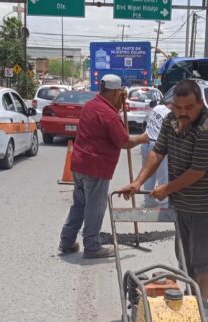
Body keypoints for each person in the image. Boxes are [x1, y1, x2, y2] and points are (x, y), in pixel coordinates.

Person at [119, 80, 208, 317]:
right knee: (185, 258)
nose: (183, 113)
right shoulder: (171, 121)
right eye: (178, 107)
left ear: (200, 103)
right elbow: (157, 152)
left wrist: (166, 188)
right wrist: (138, 182)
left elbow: (196, 173)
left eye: (189, 107)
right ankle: (192, 300)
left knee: (202, 260)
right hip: (182, 203)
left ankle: (201, 308)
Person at [58, 74, 149, 259]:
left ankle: (66, 242)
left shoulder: (91, 106)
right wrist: (143, 138)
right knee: (95, 207)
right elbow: (124, 141)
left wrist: (118, 105)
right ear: (116, 92)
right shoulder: (109, 115)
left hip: (79, 164)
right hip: (96, 168)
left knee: (80, 205)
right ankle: (92, 246)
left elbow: (109, 123)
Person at [140, 100, 172, 208]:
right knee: (163, 175)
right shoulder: (171, 115)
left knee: (148, 173)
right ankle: (163, 203)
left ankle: (148, 201)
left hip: (146, 142)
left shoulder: (157, 108)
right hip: (158, 146)